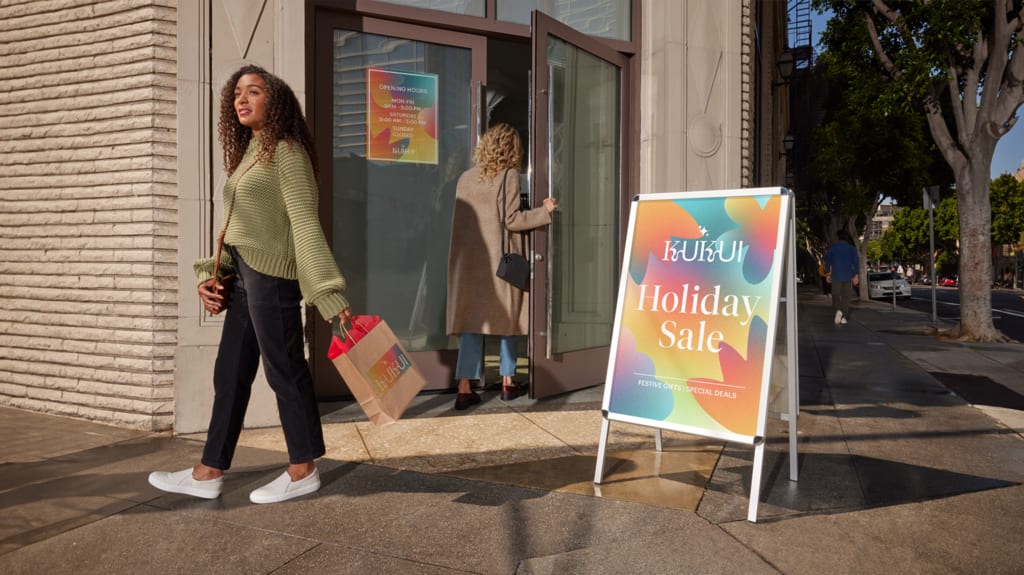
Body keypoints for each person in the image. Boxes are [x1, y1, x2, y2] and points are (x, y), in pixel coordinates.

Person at [149, 65, 352, 504]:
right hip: (242, 276)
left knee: (284, 371)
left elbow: (303, 224)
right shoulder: (250, 153)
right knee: (230, 374)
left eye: (254, 92)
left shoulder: (287, 152)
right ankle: (208, 472)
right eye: (237, 93)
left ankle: (302, 469)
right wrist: (212, 274)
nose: (242, 99)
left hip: (272, 278)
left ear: (273, 101)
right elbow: (237, 228)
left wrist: (329, 294)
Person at [446, 123, 558, 410]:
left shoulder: (465, 178)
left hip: (470, 263)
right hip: (500, 263)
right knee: (509, 318)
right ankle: (508, 383)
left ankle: (464, 387)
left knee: (472, 322)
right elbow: (512, 220)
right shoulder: (508, 176)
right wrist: (544, 212)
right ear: (512, 149)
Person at [824, 229, 859, 325]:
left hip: (836, 275)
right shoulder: (852, 249)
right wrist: (856, 275)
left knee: (835, 294)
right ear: (847, 238)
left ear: (837, 237)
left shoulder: (832, 248)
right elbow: (855, 263)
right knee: (846, 297)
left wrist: (827, 273)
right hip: (848, 276)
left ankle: (838, 310)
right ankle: (844, 316)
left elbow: (827, 262)